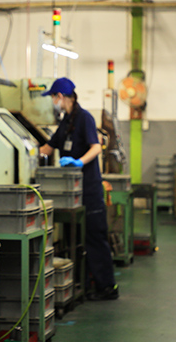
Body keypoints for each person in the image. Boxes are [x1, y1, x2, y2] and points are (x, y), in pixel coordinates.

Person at [39, 77, 119, 301]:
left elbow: (96, 147)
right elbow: (48, 147)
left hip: (89, 190)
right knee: (78, 241)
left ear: (60, 96)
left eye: (53, 97)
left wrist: (78, 162)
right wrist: (29, 152)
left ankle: (108, 287)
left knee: (95, 238)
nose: (53, 102)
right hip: (71, 193)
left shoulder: (84, 118)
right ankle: (86, 282)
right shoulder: (67, 122)